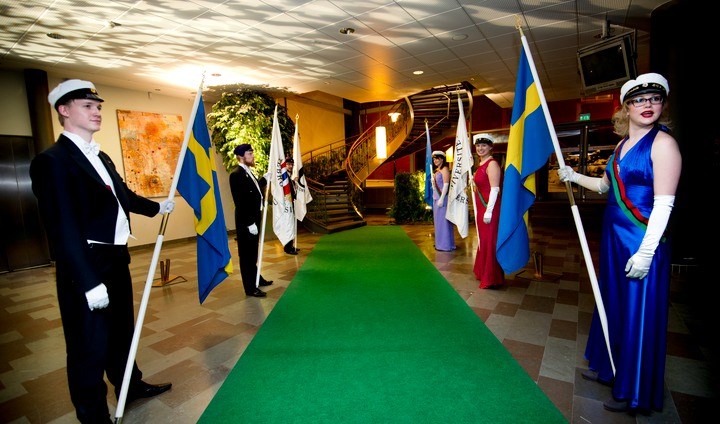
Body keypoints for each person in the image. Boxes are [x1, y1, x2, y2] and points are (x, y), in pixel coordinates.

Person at [30, 79, 173, 423]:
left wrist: (157, 208)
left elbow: (120, 195)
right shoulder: (53, 161)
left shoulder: (100, 155)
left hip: (114, 258)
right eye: (87, 106)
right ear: (64, 111)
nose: (97, 112)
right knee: (88, 345)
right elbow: (63, 229)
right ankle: (93, 415)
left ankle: (130, 385)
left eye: (98, 107)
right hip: (86, 264)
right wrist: (88, 281)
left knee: (122, 331)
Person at [558, 73, 681, 414]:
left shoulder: (663, 144)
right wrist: (574, 176)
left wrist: (646, 252)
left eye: (654, 99)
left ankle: (634, 390)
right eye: (639, 100)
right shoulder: (621, 145)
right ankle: (612, 367)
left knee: (637, 312)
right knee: (612, 303)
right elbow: (604, 187)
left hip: (642, 242)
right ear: (626, 108)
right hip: (614, 240)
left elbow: (664, 204)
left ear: (662, 104)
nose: (647, 105)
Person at [229, 143, 274, 297]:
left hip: (254, 219)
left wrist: (263, 180)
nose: (252, 156)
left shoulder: (248, 172)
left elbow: (252, 191)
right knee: (247, 256)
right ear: (241, 156)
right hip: (246, 223)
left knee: (253, 253)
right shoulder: (236, 174)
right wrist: (249, 223)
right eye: (250, 153)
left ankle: (257, 278)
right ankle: (250, 288)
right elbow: (240, 201)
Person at [471, 134, 505, 289]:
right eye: (478, 146)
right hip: (482, 208)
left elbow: (495, 189)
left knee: (489, 242)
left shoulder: (492, 164)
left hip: (489, 209)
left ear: (491, 147)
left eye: (484, 145)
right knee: (483, 241)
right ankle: (484, 272)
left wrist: (489, 211)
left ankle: (492, 278)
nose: (480, 148)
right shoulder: (481, 164)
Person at [431, 150, 455, 251]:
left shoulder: (444, 169)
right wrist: (433, 182)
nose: (435, 160)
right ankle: (439, 243)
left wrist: (441, 198)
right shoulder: (437, 170)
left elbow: (446, 184)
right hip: (436, 198)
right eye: (434, 159)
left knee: (444, 222)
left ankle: (445, 245)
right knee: (438, 222)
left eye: (437, 158)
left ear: (442, 159)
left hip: (442, 199)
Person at [283, 157, 300, 255]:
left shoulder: (289, 176)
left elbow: (292, 190)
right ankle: (287, 248)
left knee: (292, 225)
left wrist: (294, 182)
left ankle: (291, 245)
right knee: (288, 226)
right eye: (288, 164)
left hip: (291, 203)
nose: (290, 166)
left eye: (291, 164)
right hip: (287, 205)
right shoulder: (283, 177)